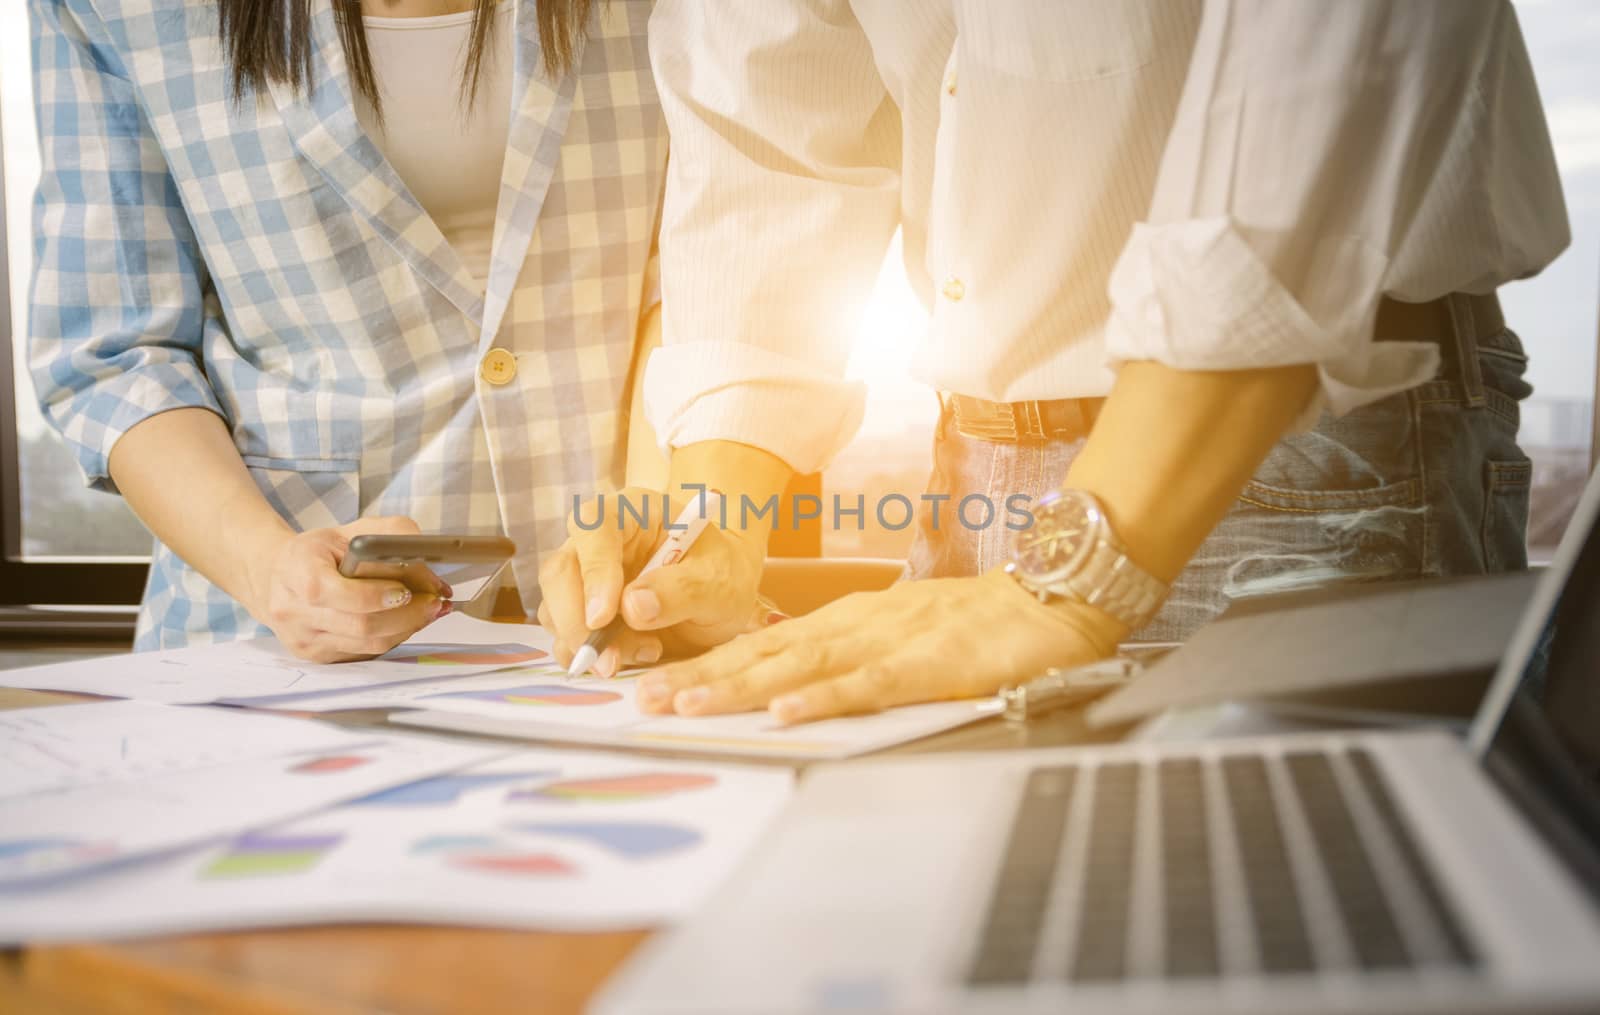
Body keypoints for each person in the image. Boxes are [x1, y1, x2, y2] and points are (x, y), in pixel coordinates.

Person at [537, 1, 1568, 722]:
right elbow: (764, 153)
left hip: (1302, 445)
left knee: (1270, 920)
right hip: (972, 472)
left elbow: (1323, 69)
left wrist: (1077, 574)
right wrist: (709, 535)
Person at [29, 0, 664, 659]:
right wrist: (268, 566)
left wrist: (652, 511)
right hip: (269, 640)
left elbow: (697, 273)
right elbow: (118, 352)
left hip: (622, 613)